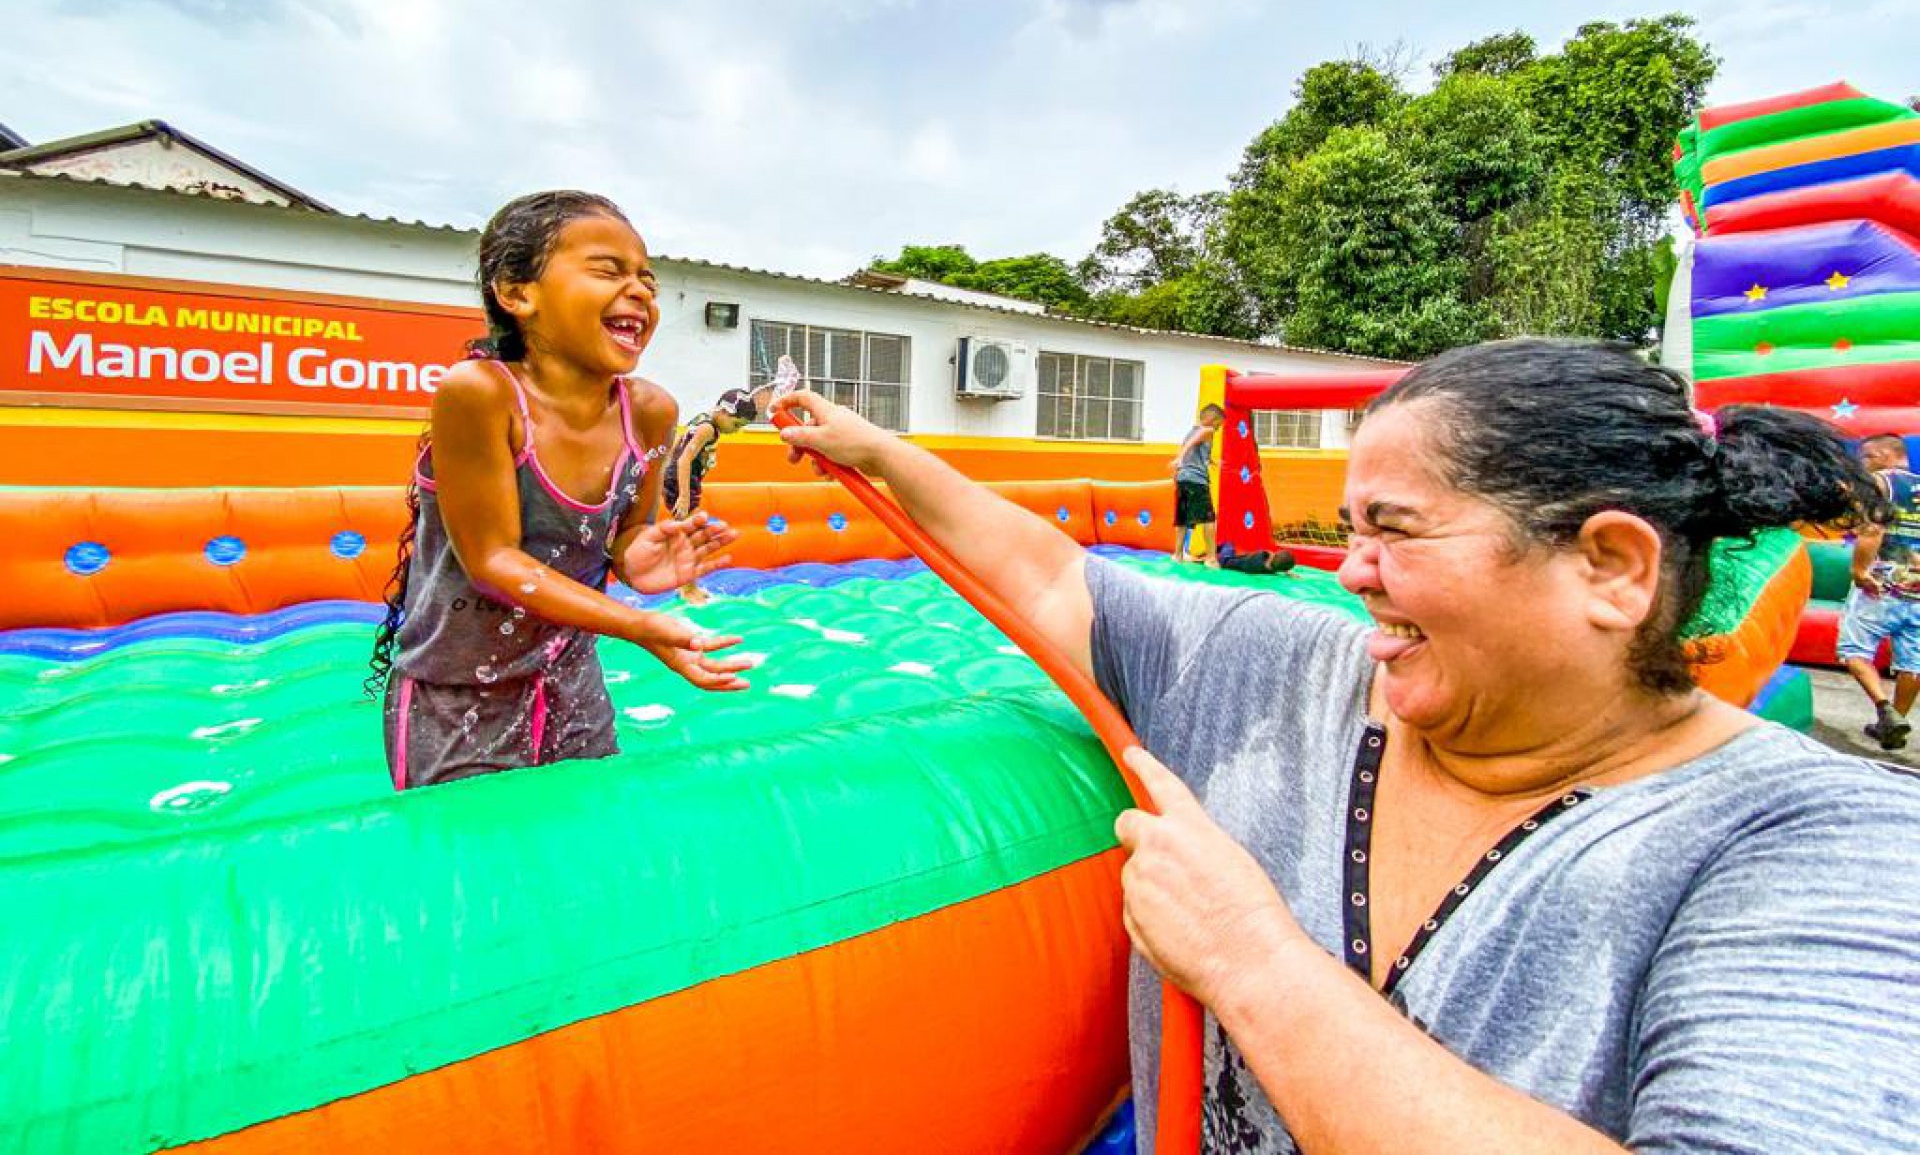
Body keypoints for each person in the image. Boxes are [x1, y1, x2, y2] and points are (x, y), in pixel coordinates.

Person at [773, 338, 1920, 1153]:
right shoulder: (1275, 670)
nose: (1348, 572)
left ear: (1610, 566)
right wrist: (873, 449)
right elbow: (1049, 573)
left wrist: (1252, 963)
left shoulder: (1821, 847)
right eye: (1347, 528)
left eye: (1394, 532)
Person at [368, 190, 753, 789]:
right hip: (458, 697)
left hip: (571, 680)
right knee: (476, 864)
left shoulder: (650, 411)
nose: (641, 292)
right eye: (608, 271)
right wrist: (644, 627)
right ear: (518, 294)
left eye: (647, 279)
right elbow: (494, 561)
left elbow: (628, 535)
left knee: (585, 846)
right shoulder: (480, 394)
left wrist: (643, 559)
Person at [1838, 432, 1920, 751]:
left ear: (1887, 454)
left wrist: (1859, 571)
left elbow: (1873, 530)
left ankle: (1884, 708)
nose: (1863, 464)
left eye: (1867, 457)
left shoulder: (1881, 483)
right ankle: (1895, 722)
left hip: (1883, 581)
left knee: (1852, 649)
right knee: (1914, 662)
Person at [663, 387, 761, 605]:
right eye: (736, 425)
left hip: (682, 480)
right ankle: (687, 589)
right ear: (724, 412)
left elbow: (678, 447)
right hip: (683, 482)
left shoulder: (703, 420)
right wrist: (684, 496)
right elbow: (684, 459)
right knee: (691, 536)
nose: (736, 431)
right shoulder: (708, 428)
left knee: (688, 534)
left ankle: (687, 585)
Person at [1172, 404, 1224, 569]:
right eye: (1218, 424)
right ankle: (1210, 558)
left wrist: (1212, 461)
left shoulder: (1190, 432)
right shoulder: (1207, 430)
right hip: (1197, 481)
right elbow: (1190, 446)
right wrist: (1179, 458)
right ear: (1211, 419)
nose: (1217, 428)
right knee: (1209, 518)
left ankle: (1178, 555)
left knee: (1183, 519)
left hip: (1183, 478)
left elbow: (1191, 448)